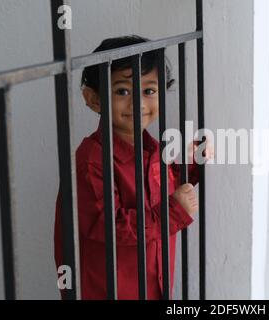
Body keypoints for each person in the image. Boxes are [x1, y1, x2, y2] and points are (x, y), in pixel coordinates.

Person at [54, 35, 213, 300]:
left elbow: (161, 185)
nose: (138, 102)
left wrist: (193, 161)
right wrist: (173, 212)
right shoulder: (91, 160)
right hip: (110, 290)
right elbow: (110, 225)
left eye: (149, 91)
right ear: (93, 98)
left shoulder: (150, 150)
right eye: (123, 91)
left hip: (152, 287)